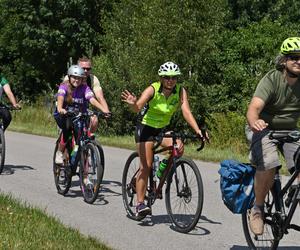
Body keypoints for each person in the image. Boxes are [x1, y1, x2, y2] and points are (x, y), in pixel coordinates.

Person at [121, 61, 208, 217]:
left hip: (162, 128)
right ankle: (140, 204)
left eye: (174, 77)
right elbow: (137, 107)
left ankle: (160, 178)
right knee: (146, 166)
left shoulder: (180, 91)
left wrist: (198, 131)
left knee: (178, 147)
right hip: (145, 128)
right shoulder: (152, 89)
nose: (170, 80)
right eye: (167, 77)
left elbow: (186, 112)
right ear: (161, 78)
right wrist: (132, 104)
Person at [246, 37, 300, 236]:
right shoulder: (271, 79)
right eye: (294, 57)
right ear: (284, 61)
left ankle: (296, 189)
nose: (299, 61)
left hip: (290, 132)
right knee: (269, 162)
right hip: (262, 128)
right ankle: (258, 209)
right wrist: (255, 121)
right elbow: (254, 108)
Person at [54, 65, 109, 185]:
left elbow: (92, 100)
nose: (76, 80)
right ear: (69, 77)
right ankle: (60, 152)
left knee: (82, 141)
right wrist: (60, 109)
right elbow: (60, 99)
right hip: (64, 115)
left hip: (79, 115)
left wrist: (104, 110)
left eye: (79, 78)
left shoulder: (84, 88)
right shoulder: (64, 87)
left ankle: (83, 172)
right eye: (74, 78)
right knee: (67, 128)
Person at [64, 57, 110, 134]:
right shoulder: (69, 78)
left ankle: (87, 141)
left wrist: (106, 111)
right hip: (68, 107)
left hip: (83, 107)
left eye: (88, 69)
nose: (85, 71)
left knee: (94, 120)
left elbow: (100, 97)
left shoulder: (93, 79)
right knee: (66, 134)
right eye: (83, 68)